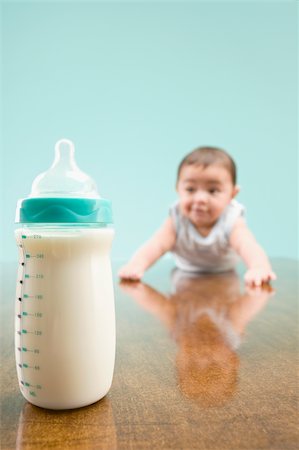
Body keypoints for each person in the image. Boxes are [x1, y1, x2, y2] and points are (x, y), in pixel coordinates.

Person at [119, 146, 276, 286]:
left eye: (213, 190)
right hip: (184, 276)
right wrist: (136, 265)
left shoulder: (231, 218)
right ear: (177, 189)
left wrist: (259, 268)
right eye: (190, 189)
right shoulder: (177, 216)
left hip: (224, 277)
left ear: (232, 195)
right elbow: (157, 244)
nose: (200, 199)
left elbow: (247, 245)